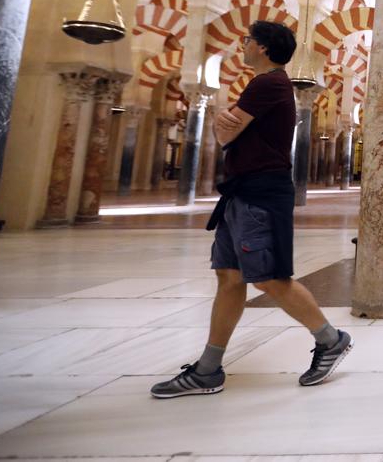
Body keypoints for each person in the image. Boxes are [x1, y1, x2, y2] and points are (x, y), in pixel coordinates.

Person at [151, 21, 352, 399]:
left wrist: (220, 123)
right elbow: (229, 133)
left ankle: (331, 339)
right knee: (229, 278)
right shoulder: (265, 84)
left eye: (246, 41)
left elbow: (226, 134)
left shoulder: (268, 84)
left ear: (260, 47)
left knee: (269, 278)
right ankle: (208, 370)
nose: (242, 45)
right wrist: (224, 125)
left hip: (260, 195)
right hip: (242, 193)